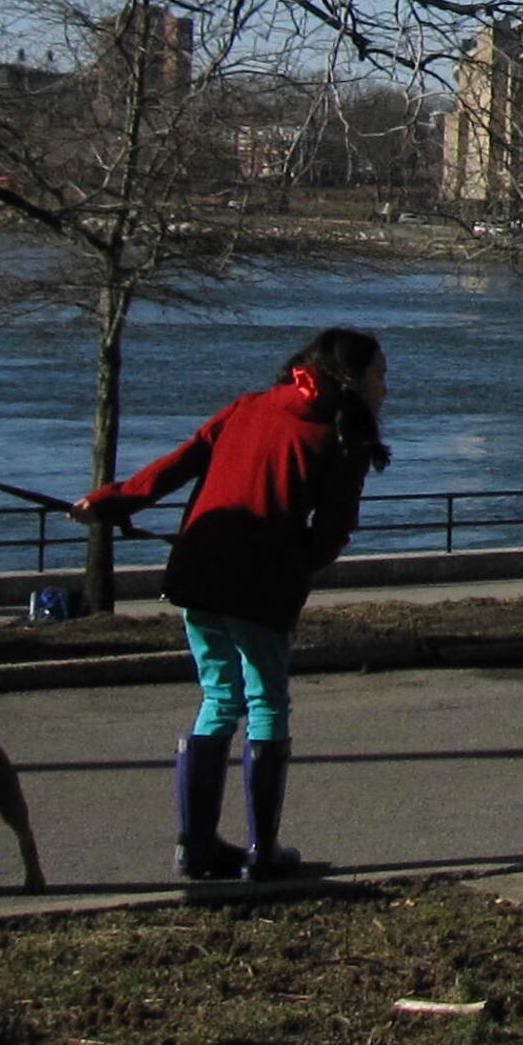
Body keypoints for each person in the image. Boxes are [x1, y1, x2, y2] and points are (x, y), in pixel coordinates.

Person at [84, 329, 386, 881]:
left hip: (198, 573)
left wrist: (111, 502)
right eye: (380, 374)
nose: (386, 387)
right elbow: (334, 531)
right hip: (260, 586)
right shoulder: (342, 435)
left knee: (220, 697)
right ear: (352, 377)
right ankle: (262, 852)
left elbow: (182, 462)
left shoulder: (250, 406)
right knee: (267, 702)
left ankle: (196, 847)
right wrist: (296, 565)